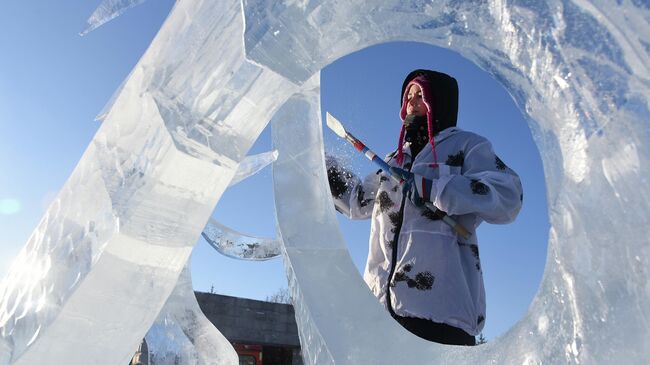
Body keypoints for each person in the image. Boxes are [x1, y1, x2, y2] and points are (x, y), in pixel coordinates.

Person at [326, 69, 523, 346]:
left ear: (438, 100)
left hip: (440, 316)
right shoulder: (394, 161)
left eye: (420, 94)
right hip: (378, 312)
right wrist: (320, 165)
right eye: (408, 96)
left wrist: (435, 188)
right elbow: (357, 202)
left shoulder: (466, 146)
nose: (412, 101)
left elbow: (509, 195)